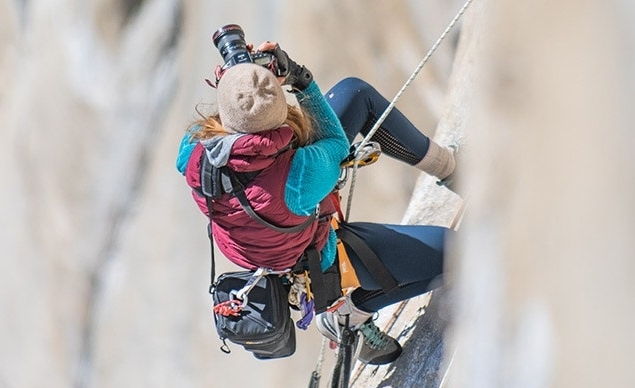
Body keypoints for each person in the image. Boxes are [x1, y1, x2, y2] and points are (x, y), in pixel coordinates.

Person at [176, 38, 455, 365]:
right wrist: (299, 78)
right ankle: (350, 312)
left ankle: (448, 168)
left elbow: (230, 124)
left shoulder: (193, 155)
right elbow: (335, 145)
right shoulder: (299, 175)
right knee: (456, 254)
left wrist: (237, 87)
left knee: (354, 94)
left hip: (266, 240)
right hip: (314, 262)